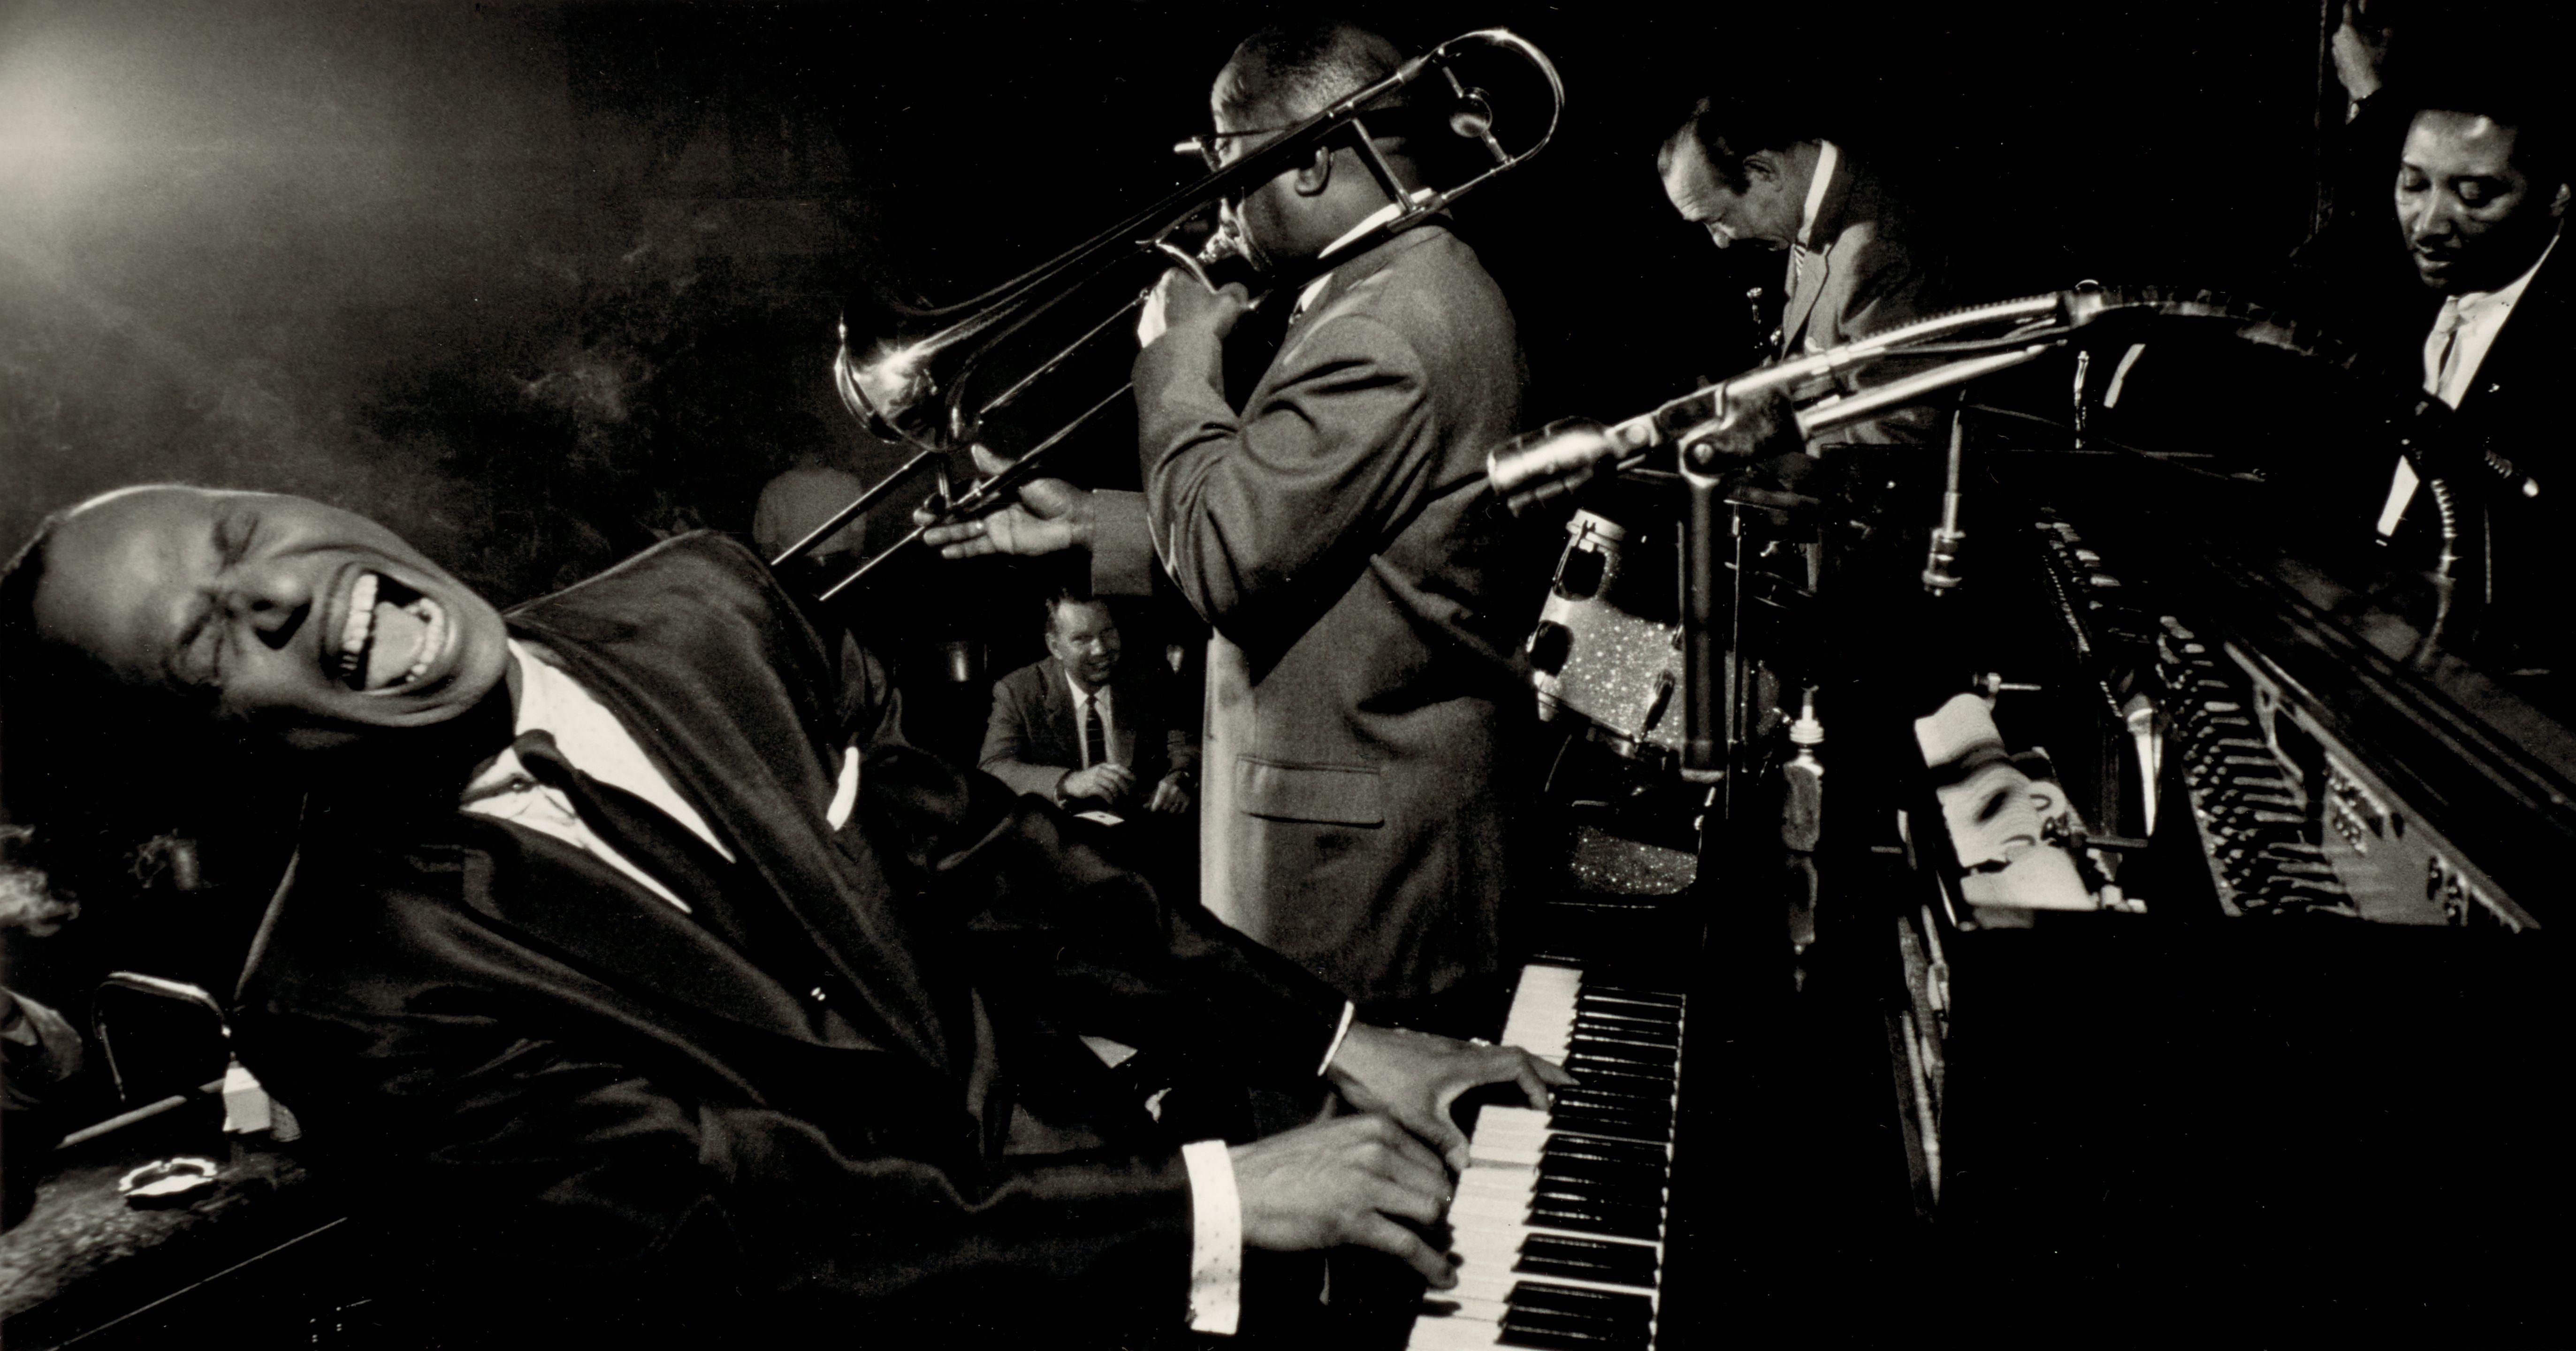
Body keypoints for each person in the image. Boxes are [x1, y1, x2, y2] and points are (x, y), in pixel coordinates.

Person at [0, 485, 1569, 1346]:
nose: (268, 591)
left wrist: (1344, 1036)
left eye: (229, 536)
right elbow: (734, 1225)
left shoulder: (700, 602)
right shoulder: (345, 998)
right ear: (218, 748)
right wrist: (1219, 1204)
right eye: (205, 649)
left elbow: (982, 861)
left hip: (1131, 1224)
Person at [921, 21, 1528, 1025]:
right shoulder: (1393, 287)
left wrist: (1175, 361)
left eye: (1224, 155)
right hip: (1362, 845)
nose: (1212, 190)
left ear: (1310, 161)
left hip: (1360, 878)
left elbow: (1226, 559)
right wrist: (1088, 526)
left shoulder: (1382, 323)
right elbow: (1316, 541)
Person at [2359, 70, 2576, 682]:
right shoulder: (2375, 290)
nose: (2427, 224)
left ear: (2557, 197)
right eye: (2412, 184)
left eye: (2473, 196)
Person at [1656, 95, 1946, 449]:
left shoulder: (1872, 246)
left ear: (1762, 171)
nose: (1720, 241)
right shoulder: (1819, 212)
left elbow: (1896, 434)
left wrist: (1759, 453)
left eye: (1718, 219)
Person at [982, 591, 1197, 817]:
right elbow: (994, 766)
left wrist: (1181, 777)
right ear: (1055, 647)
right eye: (1082, 639)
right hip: (1062, 831)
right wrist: (1068, 782)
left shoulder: (1148, 676)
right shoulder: (1019, 690)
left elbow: (1185, 741)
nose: (1101, 649)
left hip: (1138, 824)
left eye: (1108, 632)